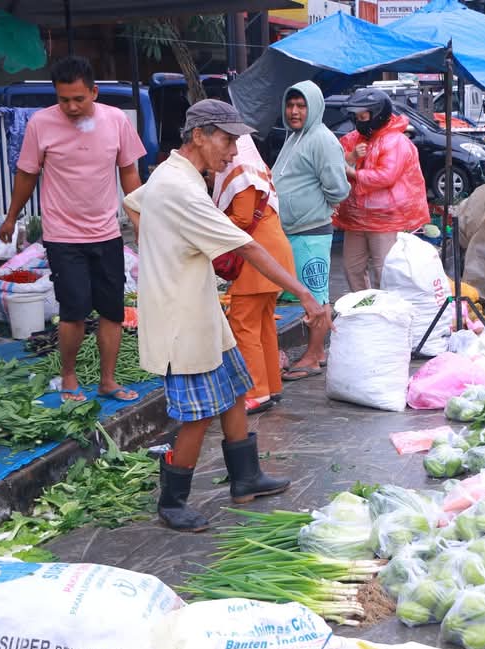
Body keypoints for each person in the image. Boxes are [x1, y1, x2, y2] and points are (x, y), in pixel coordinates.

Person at [122, 99, 330, 532]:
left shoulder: (172, 172)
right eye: (228, 139)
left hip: (201, 308)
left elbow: (132, 202)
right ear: (199, 135)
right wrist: (307, 297)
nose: (233, 151)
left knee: (236, 387)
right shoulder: (180, 188)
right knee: (198, 413)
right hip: (181, 316)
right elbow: (248, 247)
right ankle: (173, 499)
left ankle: (245, 477)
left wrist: (160, 247)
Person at [0, 55, 145, 403]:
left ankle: (108, 381)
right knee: (74, 311)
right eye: (63, 99)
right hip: (62, 237)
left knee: (112, 311)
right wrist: (11, 217)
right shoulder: (40, 124)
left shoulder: (116, 121)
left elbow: (128, 171)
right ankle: (68, 377)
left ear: (94, 92)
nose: (71, 106)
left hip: (107, 233)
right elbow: (27, 174)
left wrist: (140, 216)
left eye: (79, 98)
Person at [272, 81, 351, 383]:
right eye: (290, 105)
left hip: (311, 232)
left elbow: (338, 188)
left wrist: (319, 206)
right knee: (306, 294)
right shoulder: (294, 137)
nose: (294, 111)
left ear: (314, 107)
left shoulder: (321, 139)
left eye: (301, 105)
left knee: (316, 296)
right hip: (292, 231)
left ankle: (314, 354)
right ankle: (315, 352)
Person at [214, 135, 295, 415]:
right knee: (262, 324)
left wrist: (204, 222)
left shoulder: (242, 174)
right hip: (271, 251)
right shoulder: (257, 170)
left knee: (244, 325)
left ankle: (255, 392)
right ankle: (271, 386)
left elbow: (243, 219)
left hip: (256, 256)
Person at [334, 88, 430, 293]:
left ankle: (388, 311)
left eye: (363, 116)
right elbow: (335, 162)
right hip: (356, 219)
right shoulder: (353, 139)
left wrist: (353, 173)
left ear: (377, 114)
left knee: (383, 270)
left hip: (385, 219)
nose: (359, 121)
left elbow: (386, 176)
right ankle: (363, 309)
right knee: (353, 268)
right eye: (357, 117)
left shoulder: (396, 142)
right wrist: (351, 158)